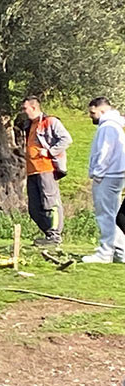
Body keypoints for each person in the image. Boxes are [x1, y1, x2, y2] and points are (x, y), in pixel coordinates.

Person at [18, 96, 72, 247]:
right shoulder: (29, 125)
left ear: (34, 108)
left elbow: (66, 139)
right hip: (32, 171)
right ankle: (48, 234)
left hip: (46, 168)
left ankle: (55, 235)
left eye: (25, 108)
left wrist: (49, 152)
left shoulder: (50, 121)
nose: (23, 111)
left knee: (51, 203)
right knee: (34, 208)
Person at [83, 97, 125, 263]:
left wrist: (98, 173)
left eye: (92, 112)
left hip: (108, 174)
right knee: (113, 213)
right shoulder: (115, 125)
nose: (91, 116)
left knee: (105, 213)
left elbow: (104, 152)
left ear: (102, 110)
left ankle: (105, 252)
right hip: (116, 173)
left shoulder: (107, 126)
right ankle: (120, 251)